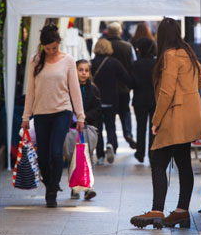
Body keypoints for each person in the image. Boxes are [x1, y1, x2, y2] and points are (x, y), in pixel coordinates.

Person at [130, 17, 201, 229]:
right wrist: (189, 92)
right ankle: (181, 211)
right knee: (183, 161)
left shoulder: (170, 56)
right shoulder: (187, 52)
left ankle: (158, 210)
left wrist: (156, 120)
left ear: (162, 35)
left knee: (158, 160)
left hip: (173, 116)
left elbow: (166, 92)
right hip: (189, 115)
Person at [21, 24, 85, 208]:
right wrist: (26, 116)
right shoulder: (36, 61)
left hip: (62, 112)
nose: (51, 51)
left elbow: (75, 90)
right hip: (41, 113)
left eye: (54, 48)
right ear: (42, 46)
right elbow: (30, 91)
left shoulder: (68, 61)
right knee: (42, 157)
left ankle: (52, 190)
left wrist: (80, 116)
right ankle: (50, 183)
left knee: (56, 152)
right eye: (47, 48)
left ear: (59, 43)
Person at [91, 39, 132, 165]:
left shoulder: (91, 64)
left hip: (96, 101)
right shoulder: (114, 63)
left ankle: (100, 155)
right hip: (111, 100)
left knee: (97, 128)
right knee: (111, 125)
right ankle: (110, 144)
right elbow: (126, 78)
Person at [70, 59, 102, 201]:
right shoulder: (69, 88)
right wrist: (76, 118)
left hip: (89, 127)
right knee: (74, 157)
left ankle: (88, 187)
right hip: (73, 127)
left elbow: (97, 109)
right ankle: (75, 187)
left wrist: (85, 117)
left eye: (86, 70)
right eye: (80, 70)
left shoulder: (94, 89)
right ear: (75, 71)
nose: (83, 73)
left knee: (89, 156)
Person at [106, 22, 137, 149]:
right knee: (125, 112)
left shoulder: (104, 46)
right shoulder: (127, 46)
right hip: (124, 87)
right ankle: (128, 133)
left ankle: (112, 143)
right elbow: (133, 64)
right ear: (119, 33)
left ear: (108, 32)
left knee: (110, 116)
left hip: (107, 88)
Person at [131, 37, 157, 163]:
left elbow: (131, 82)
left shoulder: (135, 65)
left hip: (139, 100)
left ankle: (140, 153)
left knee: (140, 127)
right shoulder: (157, 64)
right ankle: (152, 154)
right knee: (154, 128)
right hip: (154, 100)